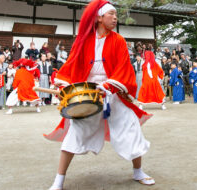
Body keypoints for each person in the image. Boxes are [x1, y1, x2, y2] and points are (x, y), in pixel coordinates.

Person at [46, 1, 154, 189]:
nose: (115, 17)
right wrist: (65, 83)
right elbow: (70, 66)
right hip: (88, 93)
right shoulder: (83, 40)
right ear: (99, 17)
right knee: (75, 132)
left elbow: (123, 68)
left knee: (131, 128)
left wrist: (106, 85)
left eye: (115, 14)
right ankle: (59, 180)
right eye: (111, 14)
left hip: (112, 91)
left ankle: (138, 172)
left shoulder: (118, 40)